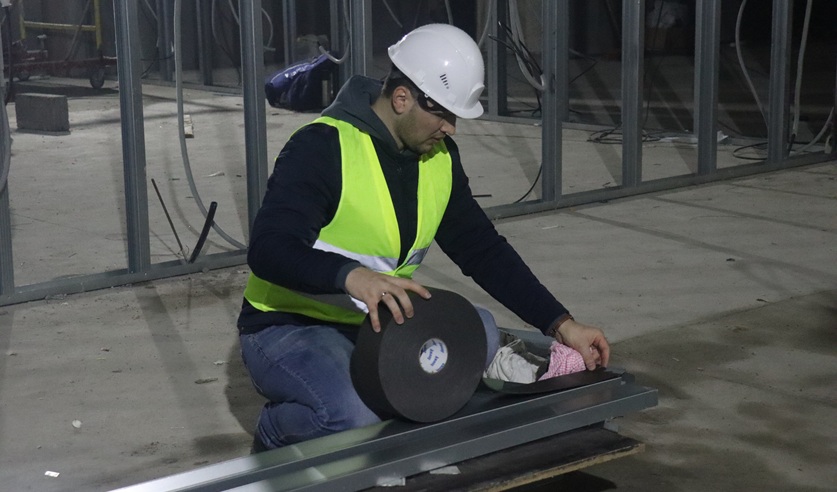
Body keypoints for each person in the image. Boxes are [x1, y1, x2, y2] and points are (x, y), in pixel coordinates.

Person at [237, 23, 610, 453]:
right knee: (351, 417)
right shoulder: (322, 148)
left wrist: (561, 323)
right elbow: (268, 249)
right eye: (444, 115)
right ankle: (274, 435)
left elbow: (482, 249)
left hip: (378, 321)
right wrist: (350, 275)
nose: (451, 129)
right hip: (289, 325)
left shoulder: (438, 158)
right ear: (402, 98)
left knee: (482, 334)